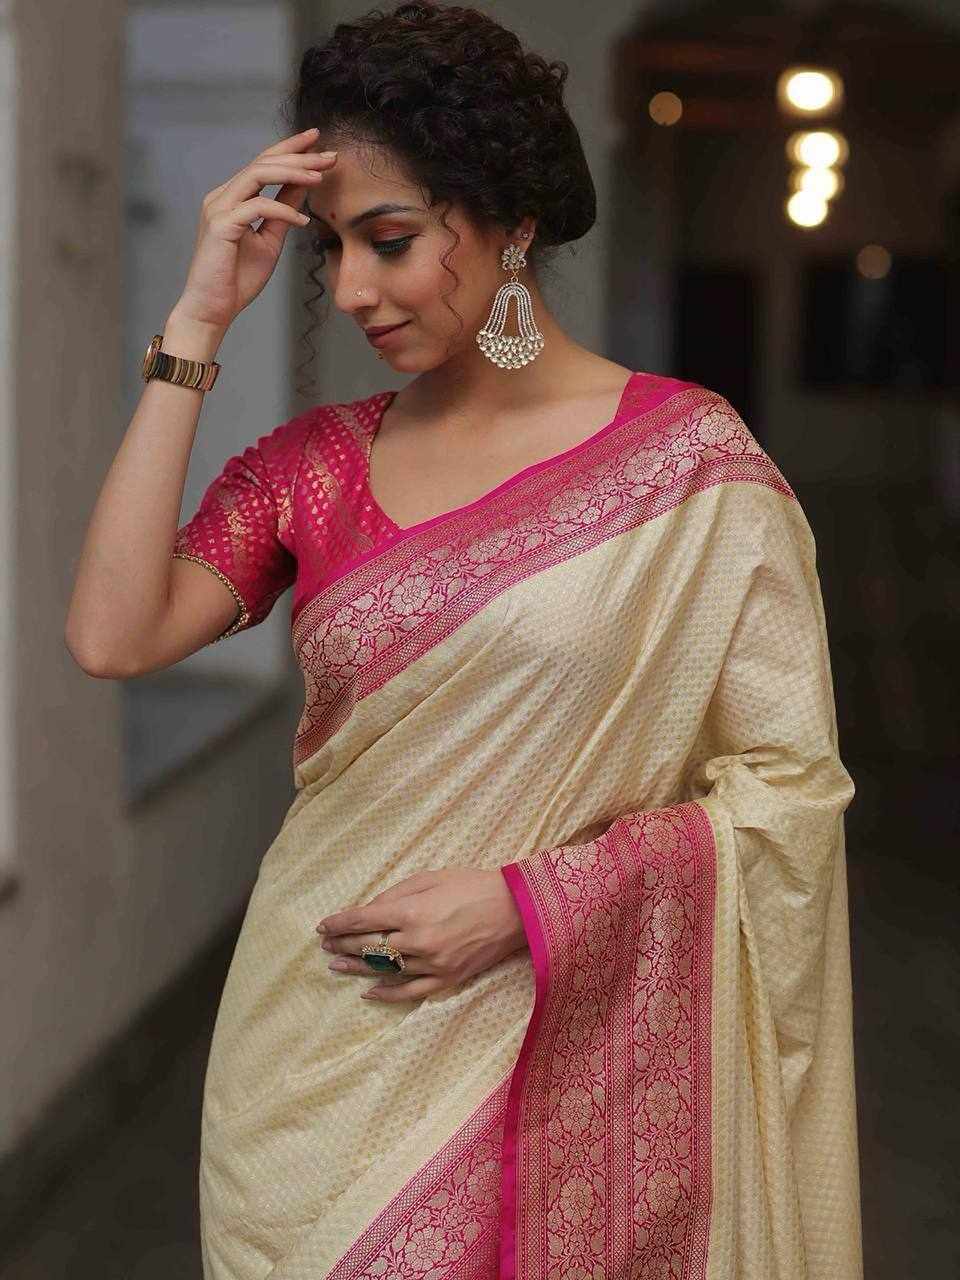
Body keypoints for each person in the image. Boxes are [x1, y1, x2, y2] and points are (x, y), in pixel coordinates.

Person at [65, 2, 863, 1277]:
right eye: (333, 248)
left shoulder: (691, 466)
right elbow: (114, 633)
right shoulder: (312, 468)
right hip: (312, 1058)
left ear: (511, 220)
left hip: (555, 1036)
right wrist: (197, 325)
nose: (353, 288)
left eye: (390, 239)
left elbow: (790, 785)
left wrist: (530, 902)